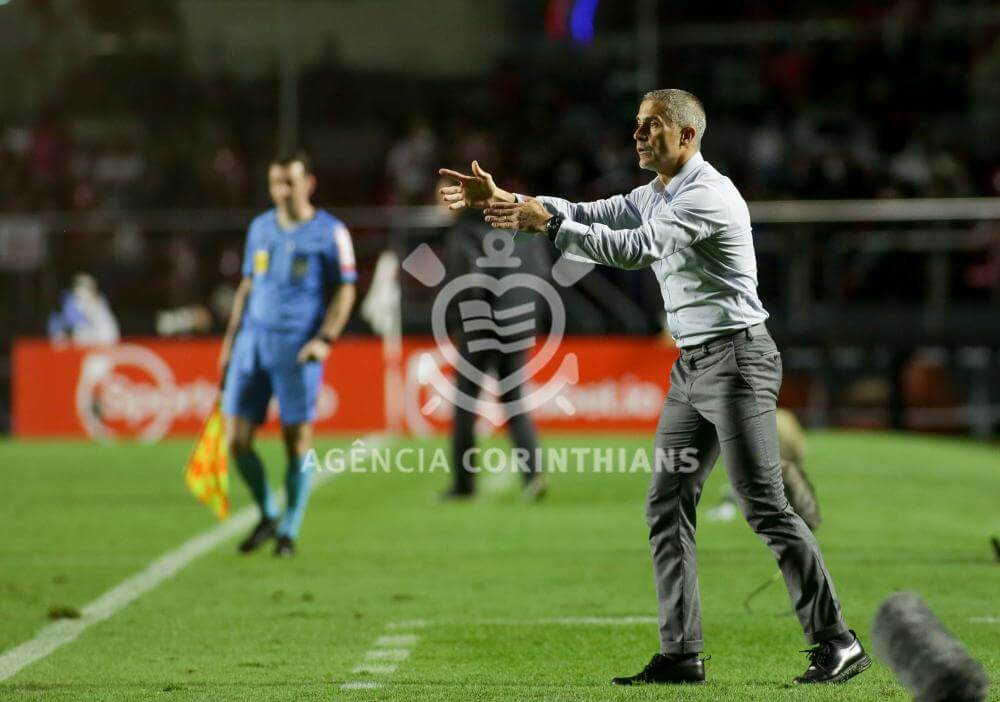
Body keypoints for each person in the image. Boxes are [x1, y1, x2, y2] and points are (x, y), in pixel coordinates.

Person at [437, 89, 870, 686]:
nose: (637, 135)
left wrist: (552, 223)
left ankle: (838, 641)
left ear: (687, 136)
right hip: (694, 367)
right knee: (667, 504)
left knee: (763, 505)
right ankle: (681, 654)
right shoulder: (659, 191)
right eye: (637, 126)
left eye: (651, 127)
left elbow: (635, 248)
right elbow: (600, 212)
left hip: (738, 360)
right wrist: (512, 200)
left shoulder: (707, 195)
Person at [219, 150, 356, 557]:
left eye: (289, 183)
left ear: (308, 184)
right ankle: (268, 511)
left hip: (297, 348)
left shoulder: (331, 232)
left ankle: (289, 532)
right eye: (275, 183)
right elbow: (246, 286)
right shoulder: (259, 228)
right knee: (237, 440)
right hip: (251, 345)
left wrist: (324, 339)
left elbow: (346, 290)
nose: (280, 191)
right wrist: (229, 343)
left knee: (296, 440)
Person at [436, 183, 549, 501]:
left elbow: (467, 281)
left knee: (465, 404)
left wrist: (458, 323)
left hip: (481, 326)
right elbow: (541, 271)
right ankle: (533, 475)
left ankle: (463, 484)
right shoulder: (519, 224)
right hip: (519, 325)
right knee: (514, 401)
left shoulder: (465, 230)